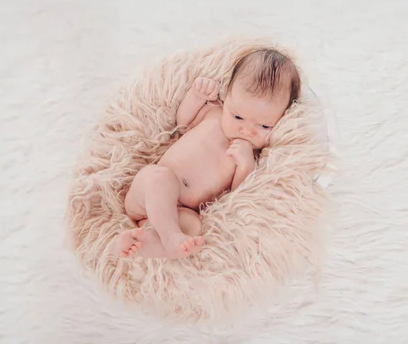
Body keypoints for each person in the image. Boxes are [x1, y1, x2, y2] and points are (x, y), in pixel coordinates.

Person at [113, 47, 301, 259]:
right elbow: (183, 122)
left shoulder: (251, 156)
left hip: (180, 212)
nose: (247, 130)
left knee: (193, 226)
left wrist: (246, 165)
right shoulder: (214, 112)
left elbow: (237, 195)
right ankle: (169, 237)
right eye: (238, 117)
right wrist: (196, 96)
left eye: (264, 126)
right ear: (226, 97)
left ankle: (145, 244)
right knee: (161, 177)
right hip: (148, 191)